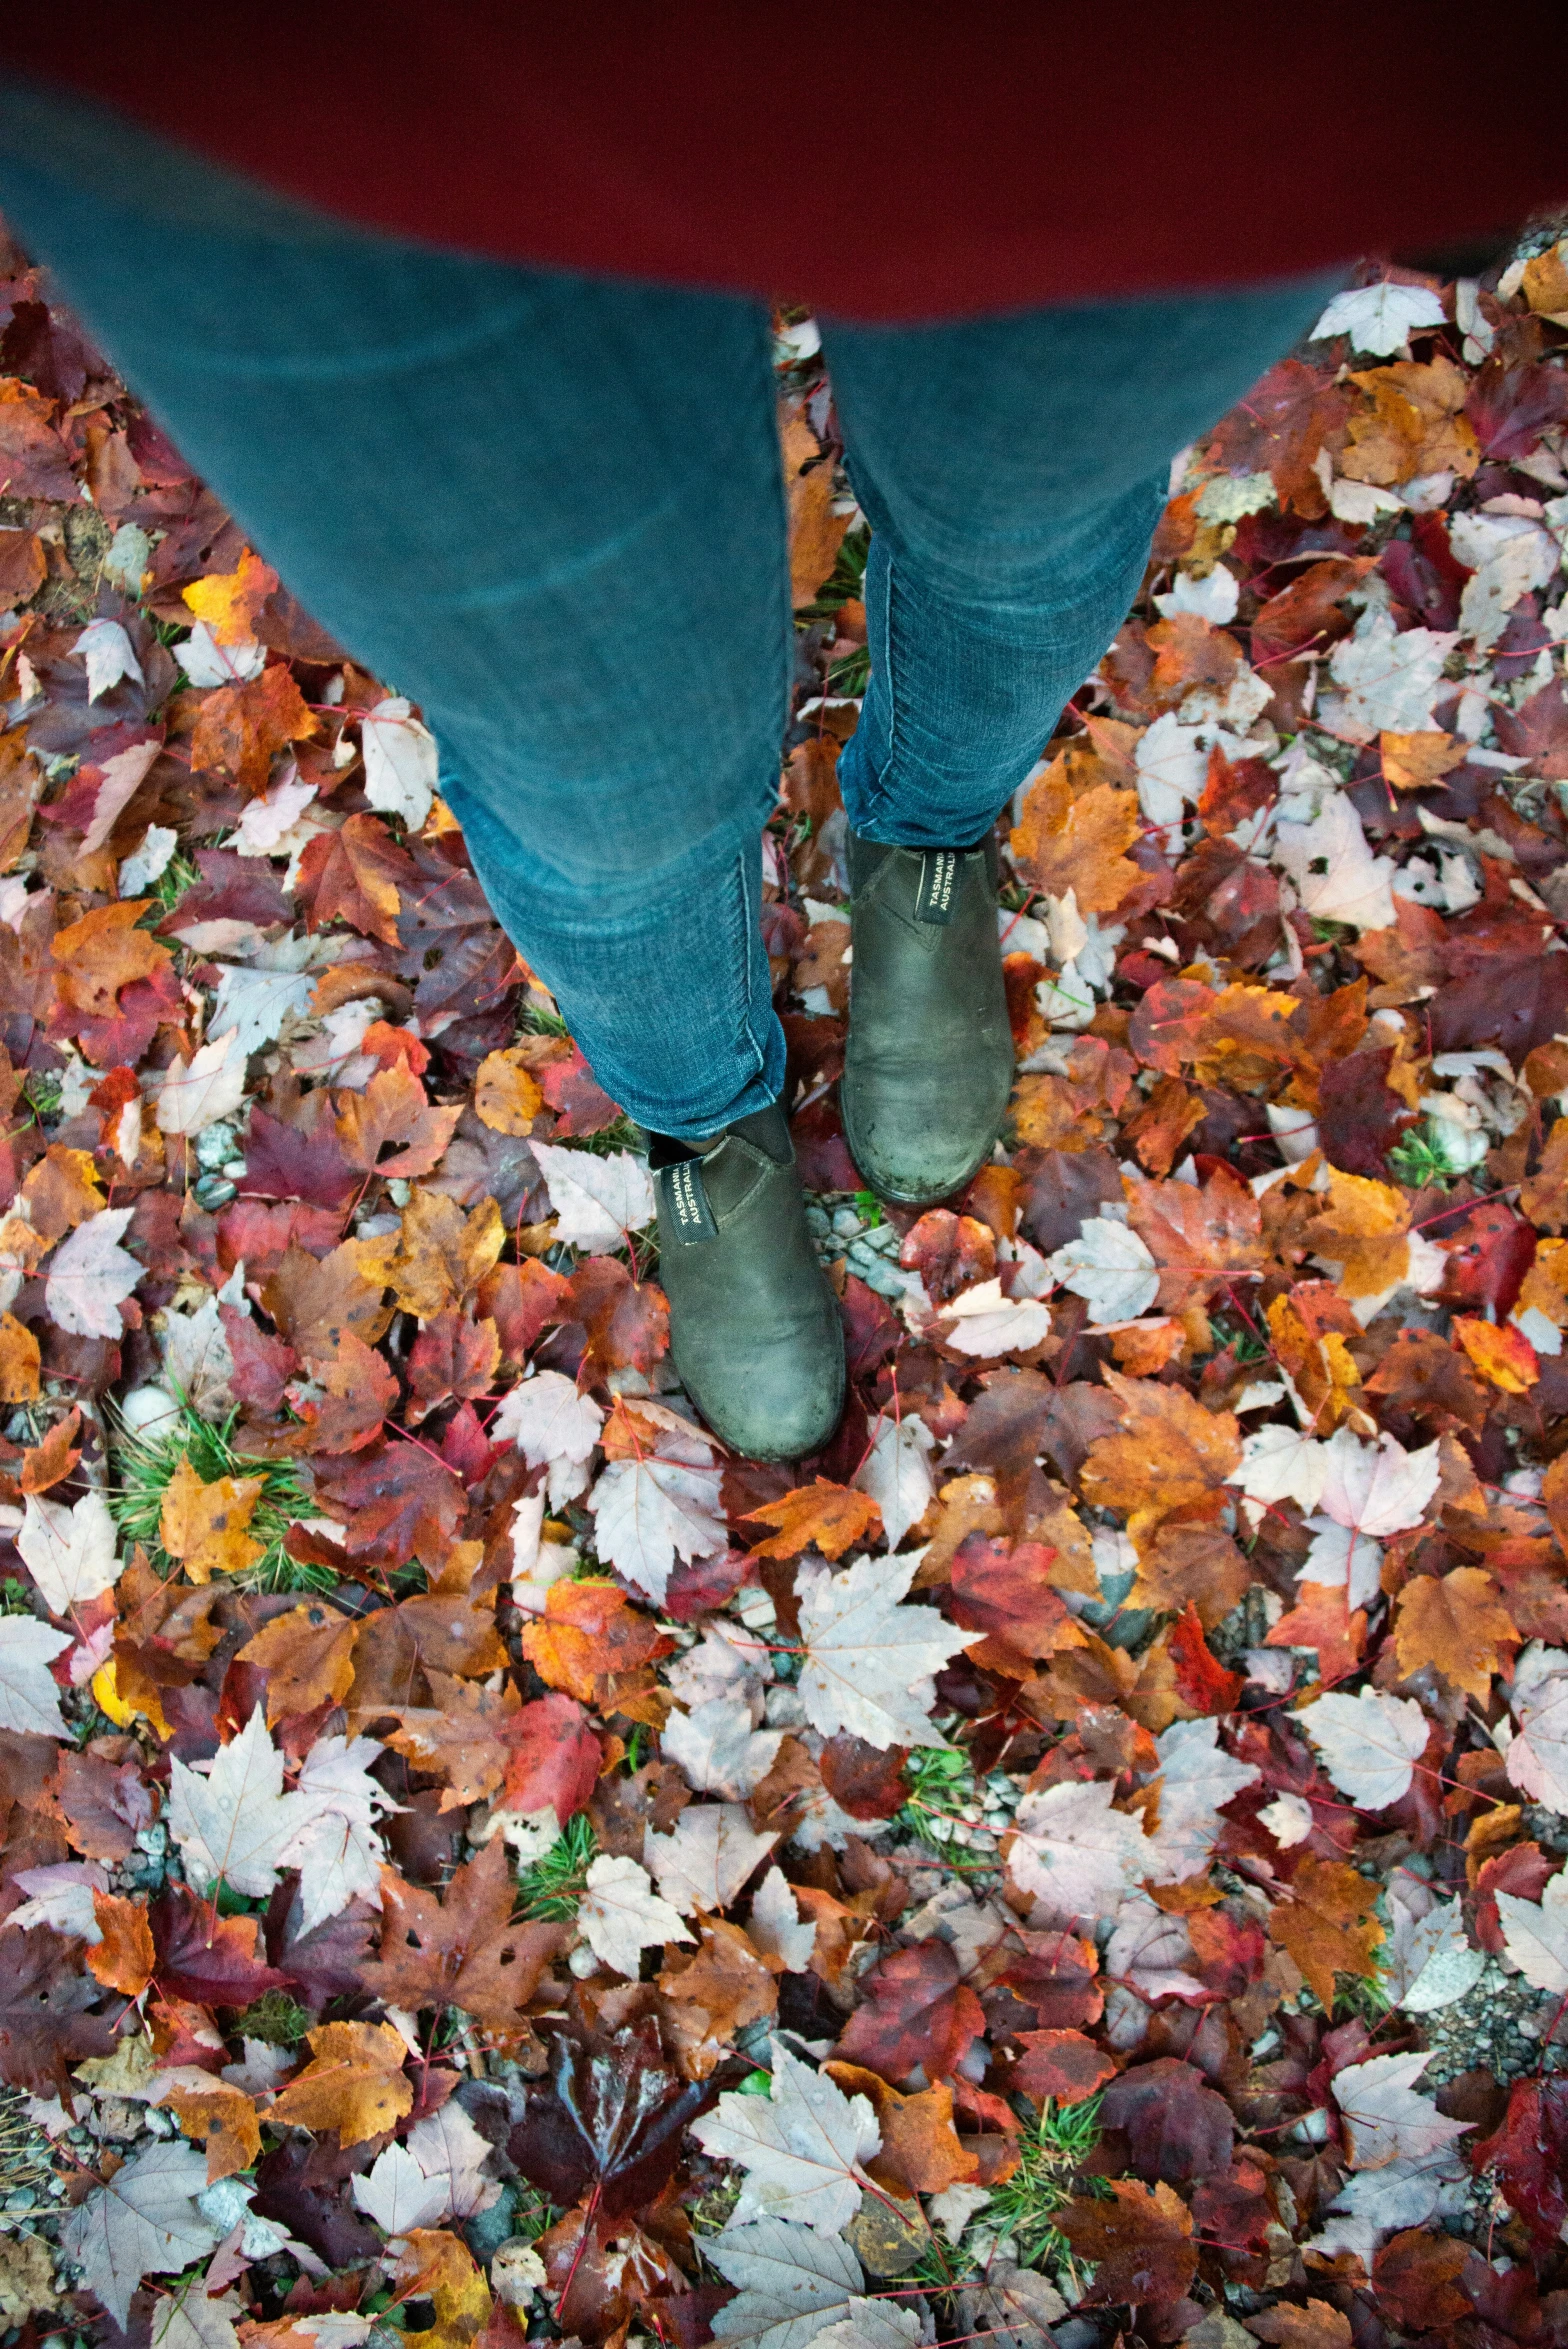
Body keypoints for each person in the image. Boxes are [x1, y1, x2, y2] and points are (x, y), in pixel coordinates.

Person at [0, 11, 1560, 1461]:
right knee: (605, 762)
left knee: (1012, 533)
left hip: (1152, 62)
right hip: (345, 90)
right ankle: (702, 1115)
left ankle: (926, 851)